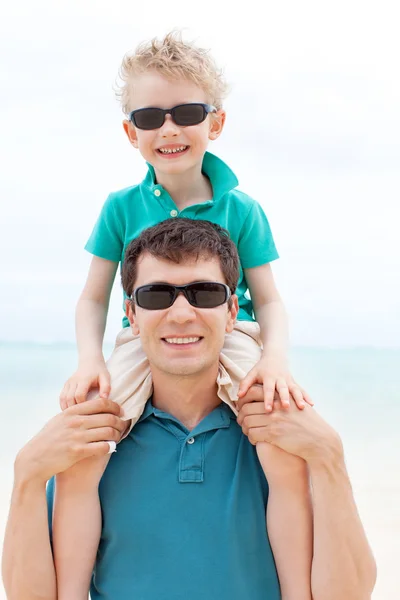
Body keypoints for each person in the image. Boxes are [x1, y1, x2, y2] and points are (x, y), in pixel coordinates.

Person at [51, 31, 316, 599]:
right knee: (85, 452)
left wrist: (274, 362)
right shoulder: (120, 207)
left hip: (230, 333)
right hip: (138, 340)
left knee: (280, 446)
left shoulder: (241, 209)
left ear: (215, 123)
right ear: (132, 132)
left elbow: (267, 299)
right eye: (150, 116)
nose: (169, 128)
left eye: (187, 112)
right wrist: (88, 360)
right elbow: (94, 297)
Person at [2, 219, 376, 600]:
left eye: (205, 293)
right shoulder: (94, 438)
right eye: (156, 296)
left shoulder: (281, 434)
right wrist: (28, 474)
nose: (181, 315)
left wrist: (330, 457)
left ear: (233, 312)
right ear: (131, 316)